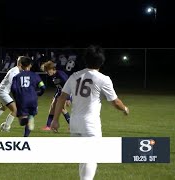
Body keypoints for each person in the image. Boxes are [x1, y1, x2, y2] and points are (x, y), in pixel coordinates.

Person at [51, 45, 129, 180]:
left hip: (74, 124)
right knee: (91, 158)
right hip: (90, 125)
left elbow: (61, 98)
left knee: (84, 159)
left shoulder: (74, 76)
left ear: (85, 60)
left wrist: (55, 119)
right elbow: (115, 102)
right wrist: (125, 109)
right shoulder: (103, 79)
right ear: (101, 61)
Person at [11, 57, 46, 137]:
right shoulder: (35, 75)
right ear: (30, 65)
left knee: (22, 122)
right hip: (33, 99)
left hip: (22, 100)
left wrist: (17, 98)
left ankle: (27, 120)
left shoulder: (16, 77)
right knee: (31, 116)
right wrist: (39, 93)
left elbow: (13, 89)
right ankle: (26, 136)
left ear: (21, 65)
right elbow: (43, 87)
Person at [0, 56, 23, 132]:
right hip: (3, 92)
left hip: (1, 91)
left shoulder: (16, 70)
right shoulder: (14, 71)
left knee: (4, 107)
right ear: (21, 63)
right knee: (15, 110)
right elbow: (12, 83)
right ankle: (5, 128)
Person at [41, 61, 71, 131]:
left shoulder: (60, 74)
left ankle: (72, 125)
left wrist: (68, 98)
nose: (47, 72)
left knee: (62, 109)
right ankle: (48, 126)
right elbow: (59, 87)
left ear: (52, 69)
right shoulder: (53, 76)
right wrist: (55, 96)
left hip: (67, 93)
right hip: (60, 92)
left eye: (47, 70)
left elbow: (68, 85)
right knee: (52, 107)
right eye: (46, 71)